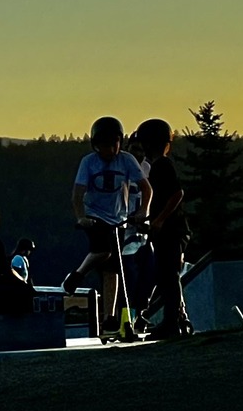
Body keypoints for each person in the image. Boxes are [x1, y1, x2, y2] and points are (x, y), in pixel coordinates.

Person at [63, 117, 151, 334]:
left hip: (118, 218)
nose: (109, 150)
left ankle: (109, 318)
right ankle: (77, 274)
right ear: (95, 145)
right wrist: (81, 217)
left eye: (113, 145)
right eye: (104, 146)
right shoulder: (89, 162)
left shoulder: (127, 160)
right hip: (95, 215)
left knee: (114, 269)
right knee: (103, 251)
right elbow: (77, 194)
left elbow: (146, 189)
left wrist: (141, 212)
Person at [131, 118, 191, 338]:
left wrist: (160, 220)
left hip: (173, 231)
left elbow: (177, 194)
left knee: (169, 276)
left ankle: (172, 323)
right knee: (165, 276)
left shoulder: (162, 166)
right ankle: (172, 320)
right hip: (166, 231)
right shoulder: (156, 167)